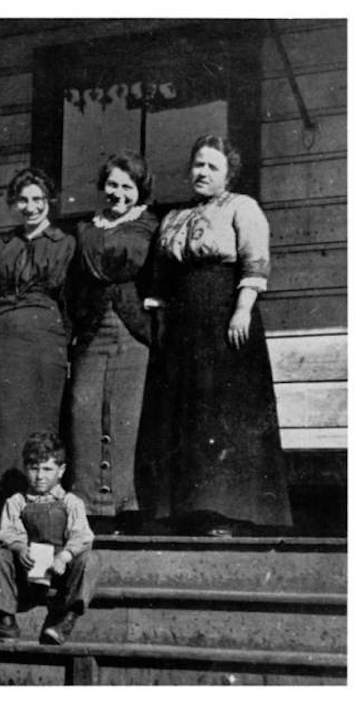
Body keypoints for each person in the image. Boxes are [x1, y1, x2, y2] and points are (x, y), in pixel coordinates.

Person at [142, 135, 292, 537]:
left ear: (228, 173)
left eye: (212, 166)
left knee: (221, 412)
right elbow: (160, 278)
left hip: (226, 320)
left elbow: (255, 261)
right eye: (197, 165)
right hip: (183, 327)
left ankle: (224, 512)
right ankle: (183, 510)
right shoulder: (173, 217)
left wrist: (242, 309)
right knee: (184, 412)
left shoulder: (242, 208)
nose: (202, 172)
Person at [0, 168, 75, 515]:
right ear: (14, 203)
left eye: (38, 200)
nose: (31, 207)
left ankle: (39, 512)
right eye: (23, 200)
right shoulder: (3, 242)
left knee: (38, 421)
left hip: (44, 343)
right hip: (3, 339)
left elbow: (68, 299)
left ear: (49, 202)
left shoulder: (65, 243)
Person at [66, 152, 159, 533]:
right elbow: (74, 282)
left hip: (132, 329)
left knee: (127, 415)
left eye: (127, 186)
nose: (118, 193)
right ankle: (90, 505)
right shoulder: (85, 229)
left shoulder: (152, 226)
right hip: (91, 329)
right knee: (83, 412)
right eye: (113, 185)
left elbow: (163, 270)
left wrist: (155, 300)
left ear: (140, 191)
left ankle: (127, 504)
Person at [0, 431, 98, 645]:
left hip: (59, 574)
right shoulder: (17, 501)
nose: (40, 476)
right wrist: (19, 548)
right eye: (33, 468)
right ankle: (5, 622)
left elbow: (82, 535)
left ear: (61, 470)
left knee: (90, 560)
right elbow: (7, 531)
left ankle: (65, 619)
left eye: (47, 469)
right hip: (27, 574)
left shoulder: (71, 502)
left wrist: (64, 557)